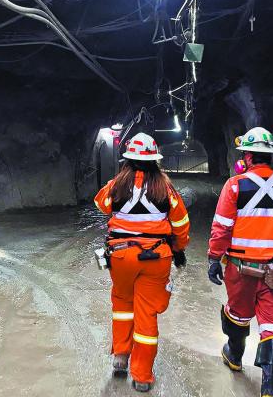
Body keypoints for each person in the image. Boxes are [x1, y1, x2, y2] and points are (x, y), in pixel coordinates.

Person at [207, 127, 273, 397]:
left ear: (248, 157)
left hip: (241, 269)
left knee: (238, 314)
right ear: (271, 157)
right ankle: (269, 390)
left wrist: (214, 258)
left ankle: (235, 356)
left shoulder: (235, 185)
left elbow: (222, 228)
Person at [94, 132, 190, 392]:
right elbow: (181, 224)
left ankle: (120, 357)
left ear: (128, 159)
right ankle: (142, 376)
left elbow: (101, 203)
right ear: (154, 160)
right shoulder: (165, 188)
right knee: (146, 313)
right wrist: (178, 249)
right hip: (156, 258)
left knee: (123, 305)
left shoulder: (116, 184)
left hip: (121, 256)